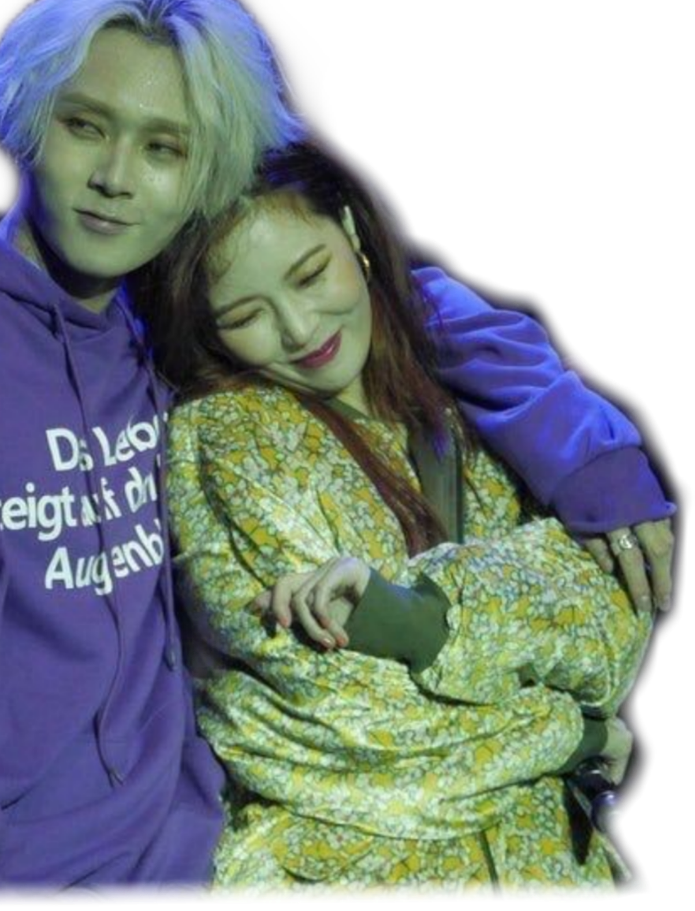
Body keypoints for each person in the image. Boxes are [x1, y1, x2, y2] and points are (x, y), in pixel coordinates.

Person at [0, 0, 670, 906]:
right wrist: (569, 733)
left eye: (164, 148)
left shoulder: (146, 332)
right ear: (30, 115)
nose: (115, 177)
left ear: (205, 171)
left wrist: (586, 445)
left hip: (191, 857)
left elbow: (387, 309)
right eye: (84, 125)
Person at [134, 134, 659, 900]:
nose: (299, 329)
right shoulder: (228, 439)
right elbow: (336, 721)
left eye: (309, 274)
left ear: (351, 230)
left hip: (551, 868)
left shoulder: (487, 399)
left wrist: (416, 617)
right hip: (347, 875)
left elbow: (612, 630)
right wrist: (574, 732)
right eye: (246, 314)